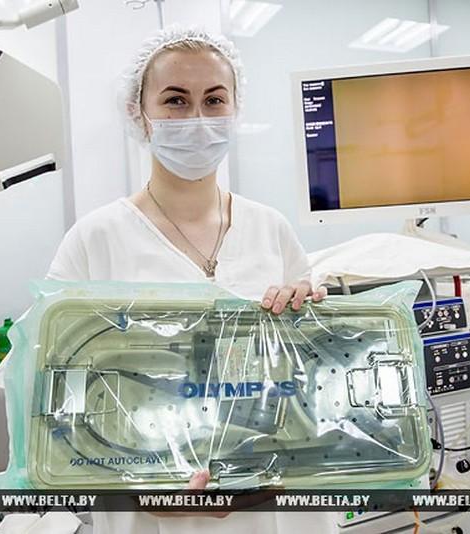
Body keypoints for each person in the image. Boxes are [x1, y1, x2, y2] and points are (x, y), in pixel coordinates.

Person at [47, 25, 336, 534]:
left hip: (275, 503)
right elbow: (49, 399)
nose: (198, 119)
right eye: (176, 100)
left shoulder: (271, 229)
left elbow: (312, 385)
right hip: (151, 513)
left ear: (235, 110)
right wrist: (132, 489)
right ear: (139, 113)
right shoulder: (95, 240)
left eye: (214, 99)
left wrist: (320, 330)